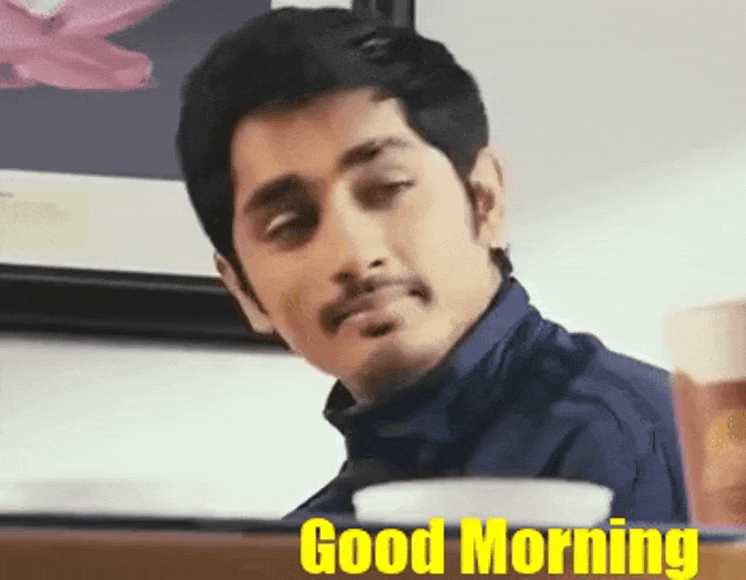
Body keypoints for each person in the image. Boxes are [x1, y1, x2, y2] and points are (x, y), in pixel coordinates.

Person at [175, 6, 688, 523]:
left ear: (484, 199)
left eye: (389, 187)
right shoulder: (306, 539)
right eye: (290, 224)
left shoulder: (643, 439)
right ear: (244, 292)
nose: (354, 253)